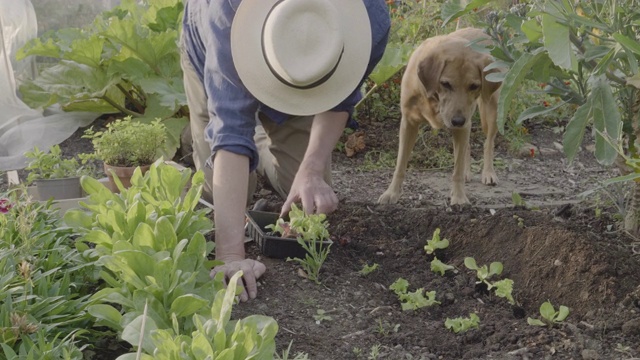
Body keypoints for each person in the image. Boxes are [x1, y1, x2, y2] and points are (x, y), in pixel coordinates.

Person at [180, 0, 390, 301]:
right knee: (219, 198)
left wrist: (312, 169)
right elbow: (230, 130)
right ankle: (203, 135)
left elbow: (340, 100)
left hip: (302, 81)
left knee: (306, 201)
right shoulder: (226, 17)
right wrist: (230, 255)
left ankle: (259, 146)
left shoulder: (369, 19)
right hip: (212, 57)